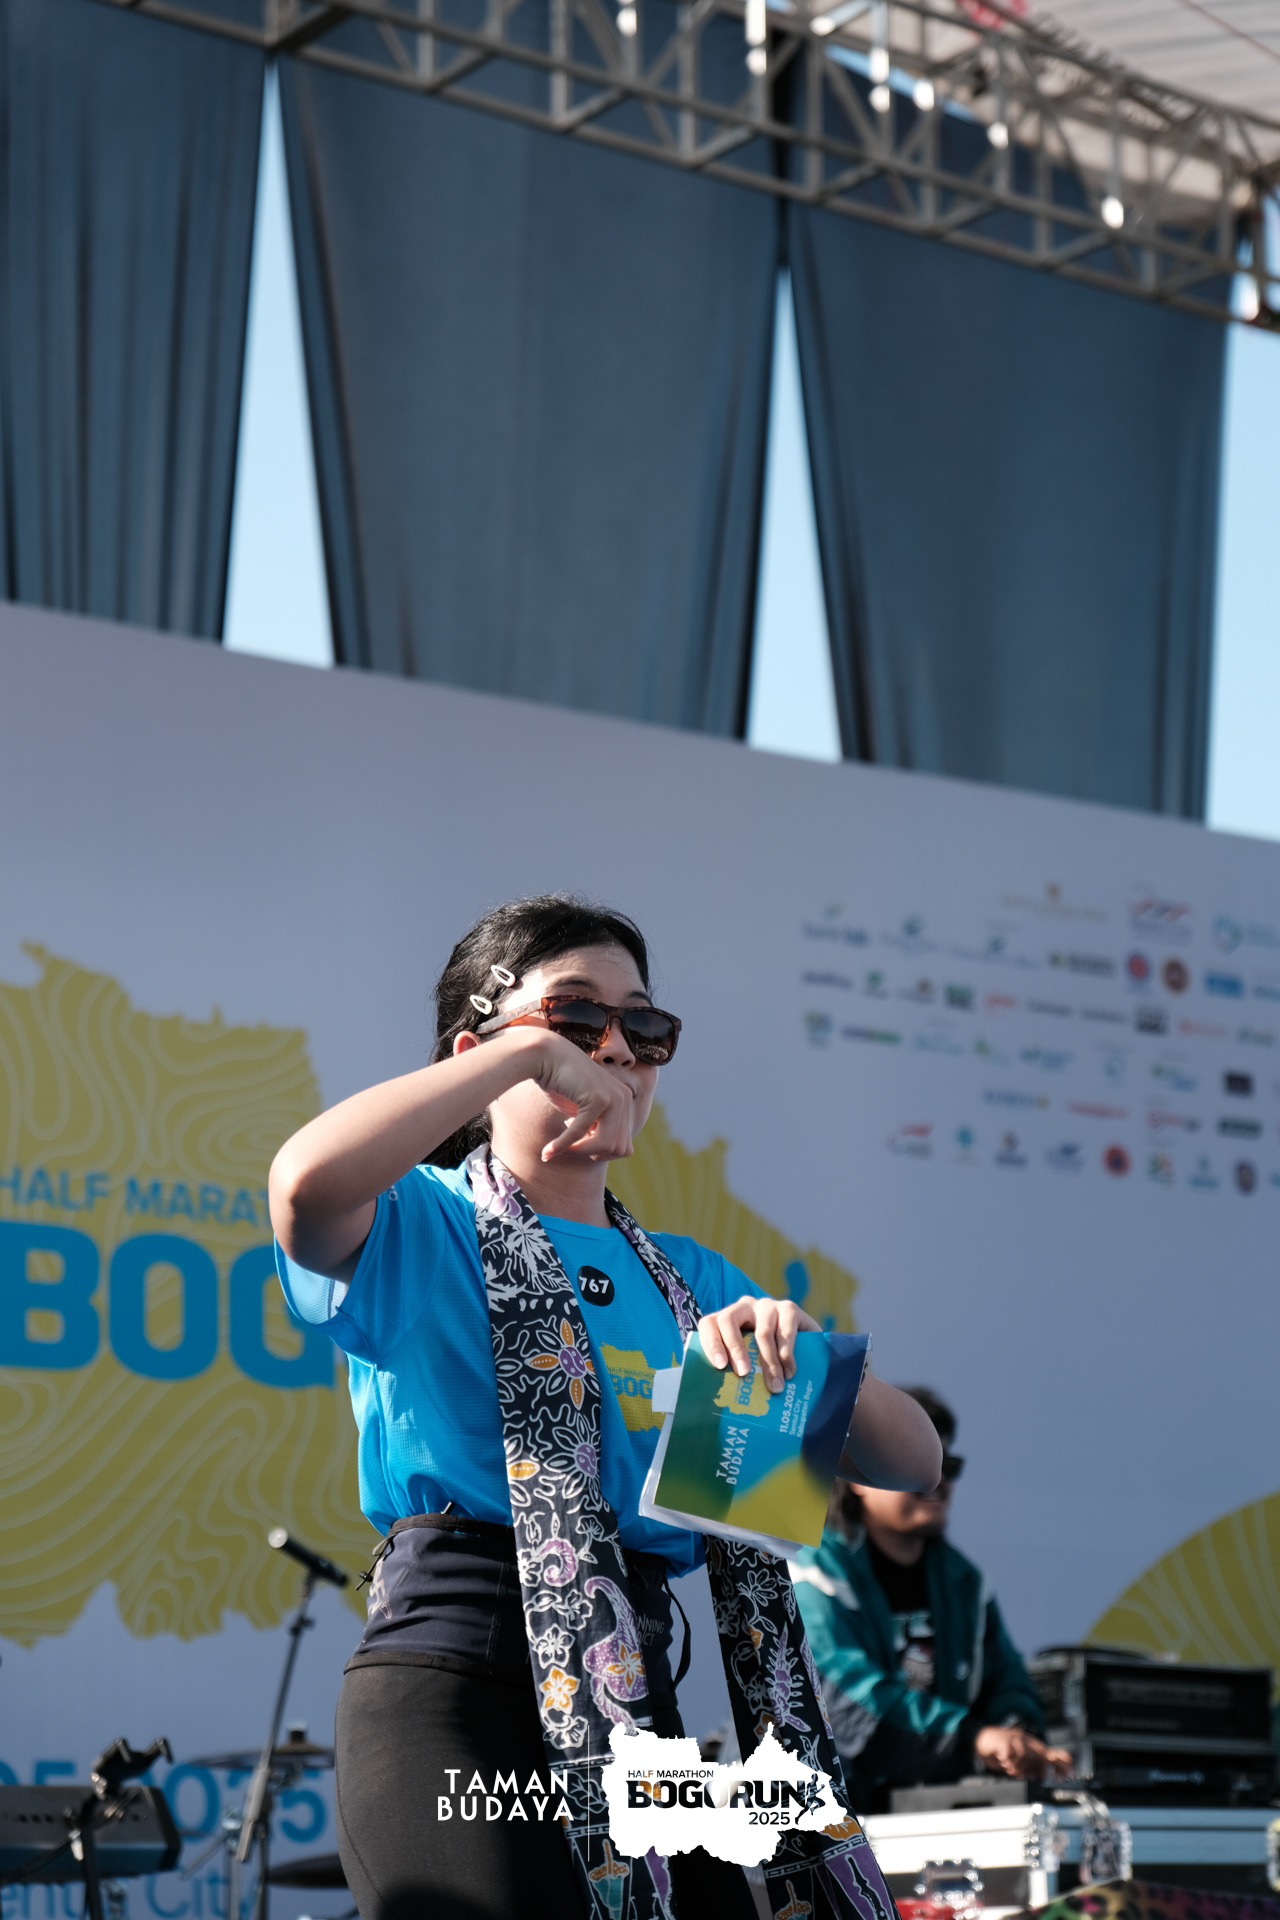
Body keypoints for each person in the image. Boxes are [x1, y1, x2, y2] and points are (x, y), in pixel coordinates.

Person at [269, 894, 941, 1920]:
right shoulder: (423, 1220)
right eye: (576, 1017)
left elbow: (909, 1462)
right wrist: (526, 1057)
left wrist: (797, 1349)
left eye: (644, 1026)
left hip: (635, 1708)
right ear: (477, 1052)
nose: (616, 1048)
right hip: (459, 1680)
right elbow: (305, 1188)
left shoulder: (690, 1283)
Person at [790, 1387, 1070, 1814]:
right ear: (856, 1477)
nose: (936, 1482)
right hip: (809, 1819)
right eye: (915, 1466)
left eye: (946, 1467)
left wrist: (1016, 1736)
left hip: (924, 1821)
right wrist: (975, 1739)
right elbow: (845, 1704)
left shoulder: (966, 1582)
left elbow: (1007, 1681)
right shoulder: (814, 1570)